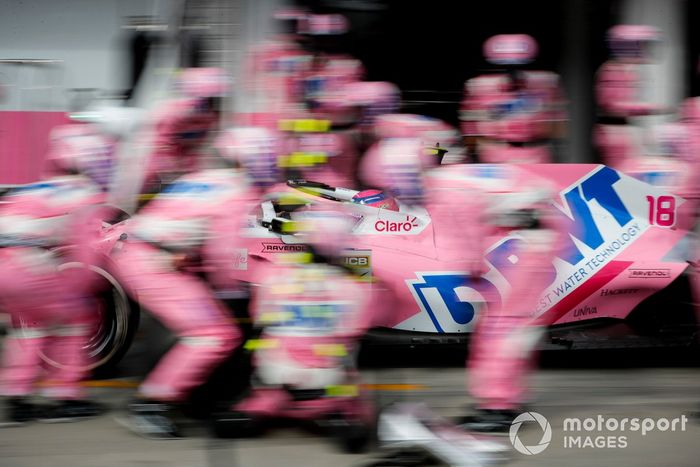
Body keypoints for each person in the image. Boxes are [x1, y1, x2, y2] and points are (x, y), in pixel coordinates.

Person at [112, 126, 282, 438]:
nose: (272, 162)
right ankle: (151, 405)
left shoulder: (201, 177)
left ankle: (181, 397)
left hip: (140, 253)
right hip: (154, 263)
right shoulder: (239, 191)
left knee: (211, 329)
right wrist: (242, 295)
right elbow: (226, 256)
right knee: (215, 334)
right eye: (269, 156)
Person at [213, 207, 374, 452]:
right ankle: (340, 417)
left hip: (273, 380)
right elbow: (355, 330)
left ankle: (252, 413)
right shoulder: (351, 287)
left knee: (264, 354)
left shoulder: (271, 275)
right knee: (351, 382)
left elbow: (259, 317)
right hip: (326, 384)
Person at [0, 125, 112, 423]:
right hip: (29, 268)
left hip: (7, 270)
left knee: (32, 325)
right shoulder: (87, 195)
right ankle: (65, 398)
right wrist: (89, 287)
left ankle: (17, 397)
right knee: (79, 316)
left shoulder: (35, 187)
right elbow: (87, 254)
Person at [460, 34, 565, 164]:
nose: (512, 71)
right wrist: (472, 155)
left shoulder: (547, 83)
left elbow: (558, 122)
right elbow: (469, 128)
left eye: (519, 66)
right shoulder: (478, 86)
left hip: (536, 152)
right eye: (505, 67)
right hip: (494, 152)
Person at [595, 25, 665, 169]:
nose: (645, 51)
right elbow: (611, 105)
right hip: (613, 132)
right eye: (641, 45)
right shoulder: (612, 70)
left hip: (622, 130)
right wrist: (648, 108)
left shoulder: (627, 71)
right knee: (620, 173)